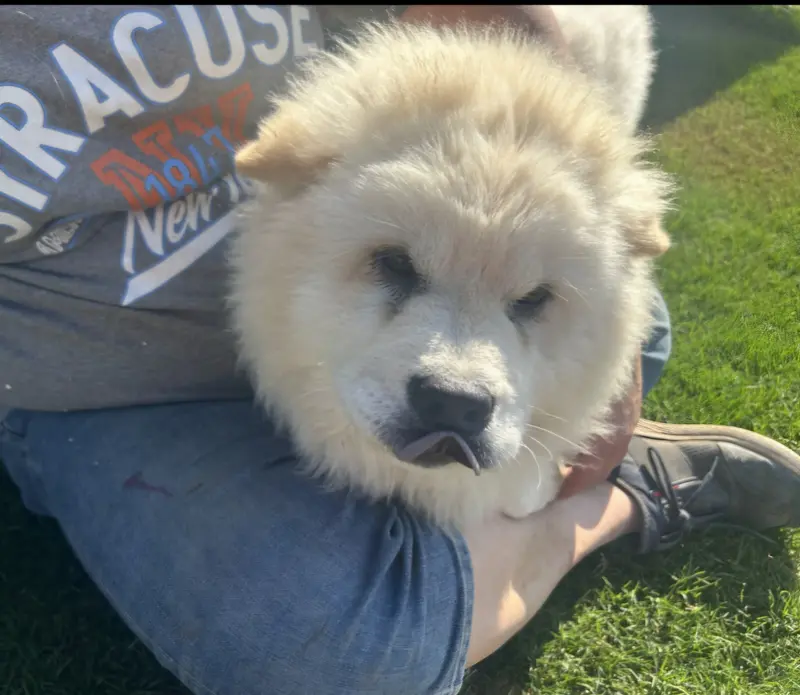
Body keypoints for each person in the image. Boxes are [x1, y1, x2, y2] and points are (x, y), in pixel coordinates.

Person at [1, 5, 798, 694]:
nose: (458, 372)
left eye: (532, 302)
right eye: (394, 268)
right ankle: (606, 504)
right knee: (332, 649)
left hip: (369, 224)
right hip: (120, 389)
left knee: (643, 334)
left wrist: (576, 189)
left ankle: (522, 466)